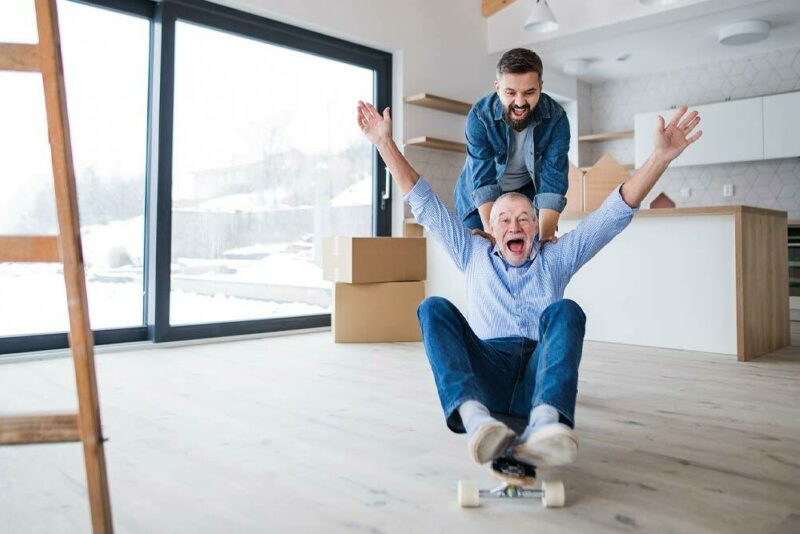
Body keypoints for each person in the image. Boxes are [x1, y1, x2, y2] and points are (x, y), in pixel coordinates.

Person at [356, 100, 701, 466]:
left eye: (524, 218)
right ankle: (477, 422)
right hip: (488, 373)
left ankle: (545, 425)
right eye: (503, 219)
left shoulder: (557, 256)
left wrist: (660, 158)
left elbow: (613, 213)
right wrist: (383, 143)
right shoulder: (473, 252)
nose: (514, 226)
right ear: (490, 229)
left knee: (567, 311)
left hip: (540, 375)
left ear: (537, 227)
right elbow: (422, 199)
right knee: (432, 309)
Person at [454, 48, 570, 244]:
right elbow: (484, 180)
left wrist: (545, 238)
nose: (519, 102)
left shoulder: (557, 119)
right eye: (510, 92)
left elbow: (553, 181)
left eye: (529, 92)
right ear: (497, 87)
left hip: (525, 195)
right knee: (484, 257)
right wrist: (493, 235)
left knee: (532, 254)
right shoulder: (480, 117)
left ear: (540, 86)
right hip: (478, 201)